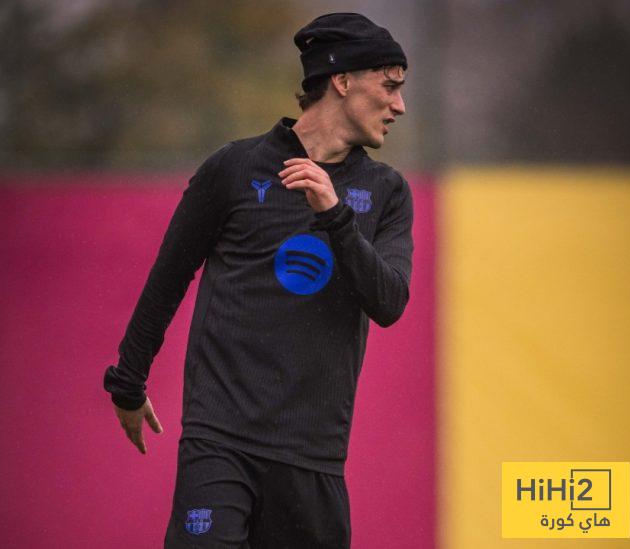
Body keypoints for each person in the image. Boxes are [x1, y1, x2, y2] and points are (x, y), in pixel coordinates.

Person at [103, 12, 413, 549]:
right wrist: (127, 381)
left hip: (314, 459)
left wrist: (335, 215)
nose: (399, 105)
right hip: (219, 443)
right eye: (389, 86)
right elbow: (168, 278)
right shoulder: (234, 167)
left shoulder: (387, 192)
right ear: (342, 80)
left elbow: (388, 303)